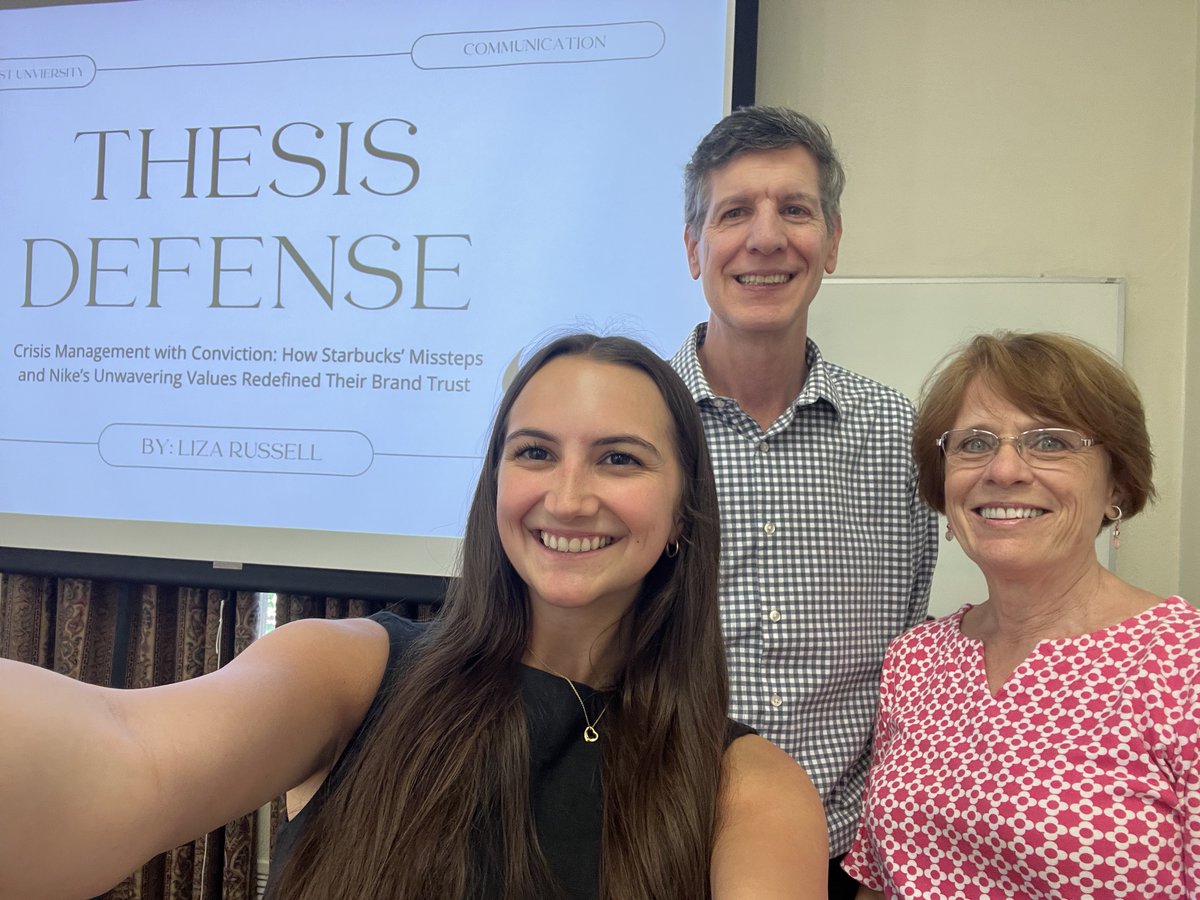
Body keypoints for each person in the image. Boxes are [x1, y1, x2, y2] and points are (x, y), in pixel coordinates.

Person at [0, 333, 828, 900]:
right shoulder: (348, 674)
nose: (568, 496)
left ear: (685, 509)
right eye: (534, 452)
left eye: (619, 458)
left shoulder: (750, 788)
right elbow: (126, 756)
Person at [669, 104, 939, 896]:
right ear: (694, 248)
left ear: (832, 241)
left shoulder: (899, 434)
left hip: (842, 862)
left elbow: (906, 644)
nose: (766, 238)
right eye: (734, 213)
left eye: (795, 209)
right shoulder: (628, 427)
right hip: (652, 846)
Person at [843, 331, 1199, 898]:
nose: (1004, 469)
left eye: (1051, 443)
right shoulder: (915, 660)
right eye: (974, 444)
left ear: (1117, 484)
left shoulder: (1184, 663)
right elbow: (882, 876)